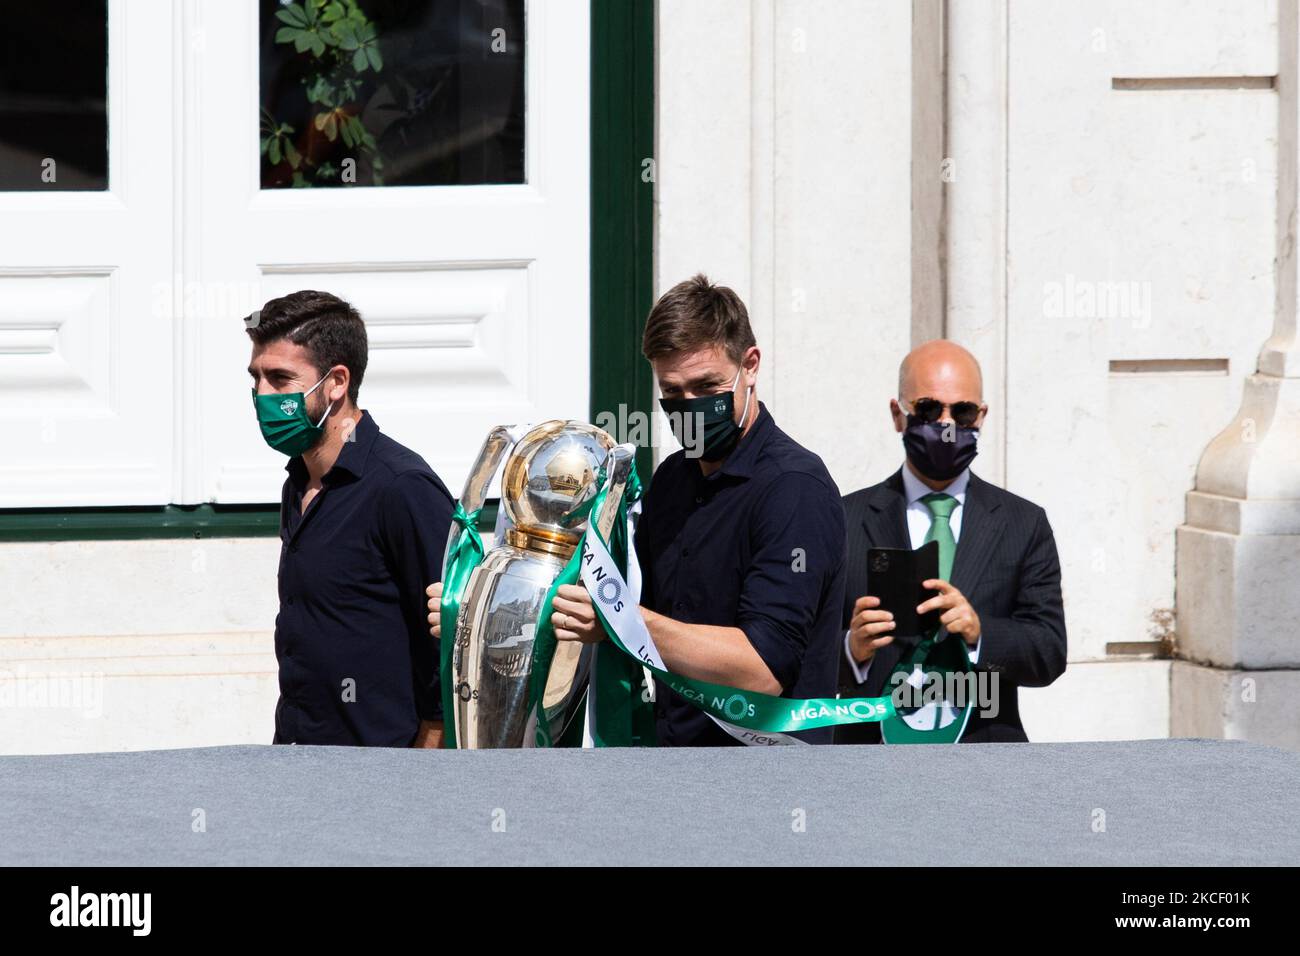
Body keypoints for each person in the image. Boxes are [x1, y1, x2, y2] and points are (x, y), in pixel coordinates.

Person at [550, 273, 847, 745]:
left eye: (707, 386)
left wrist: (621, 619)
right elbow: (615, 604)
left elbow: (763, 670)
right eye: (672, 393)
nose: (689, 406)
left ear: (750, 366)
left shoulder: (794, 489)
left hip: (771, 787)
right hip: (673, 773)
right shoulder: (671, 480)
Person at [247, 290, 453, 747]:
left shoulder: (402, 487)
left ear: (336, 382)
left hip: (382, 774)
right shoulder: (298, 482)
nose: (262, 395)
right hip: (299, 760)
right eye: (256, 378)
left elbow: (451, 642)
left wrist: (426, 763)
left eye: (280, 379)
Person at [836, 339, 1066, 743]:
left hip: (985, 757)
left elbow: (1048, 651)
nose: (945, 426)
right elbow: (797, 653)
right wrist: (852, 650)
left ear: (981, 416)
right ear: (898, 414)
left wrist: (980, 634)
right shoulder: (843, 520)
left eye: (961, 412)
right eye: (927, 409)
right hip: (870, 760)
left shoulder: (1023, 523)